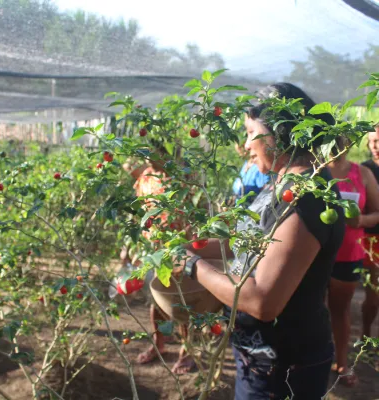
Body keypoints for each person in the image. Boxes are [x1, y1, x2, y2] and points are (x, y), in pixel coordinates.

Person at [174, 83, 345, 399]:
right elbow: (250, 243)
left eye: (250, 132)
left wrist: (191, 265)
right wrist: (188, 246)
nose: (245, 144)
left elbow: (262, 301)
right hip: (260, 357)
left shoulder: (306, 198)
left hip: (284, 367)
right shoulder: (279, 184)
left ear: (276, 133)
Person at [124, 141, 195, 374]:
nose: (145, 156)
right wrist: (130, 244)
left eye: (149, 151)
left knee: (180, 300)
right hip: (153, 248)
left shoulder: (178, 178)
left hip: (177, 246)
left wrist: (190, 246)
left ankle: (187, 351)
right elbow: (139, 213)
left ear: (162, 151)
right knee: (156, 299)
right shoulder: (144, 178)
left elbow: (192, 212)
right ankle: (159, 344)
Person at [327, 137, 379, 386]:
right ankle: (309, 360)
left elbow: (377, 212)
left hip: (348, 253)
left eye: (340, 140)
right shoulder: (314, 172)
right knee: (311, 310)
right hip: (314, 252)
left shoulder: (363, 174)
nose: (336, 146)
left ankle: (342, 363)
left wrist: (361, 221)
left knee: (340, 309)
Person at [361, 124, 379, 340]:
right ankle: (365, 336)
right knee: (372, 295)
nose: (374, 146)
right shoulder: (364, 170)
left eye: (378, 141)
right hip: (371, 239)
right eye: (371, 141)